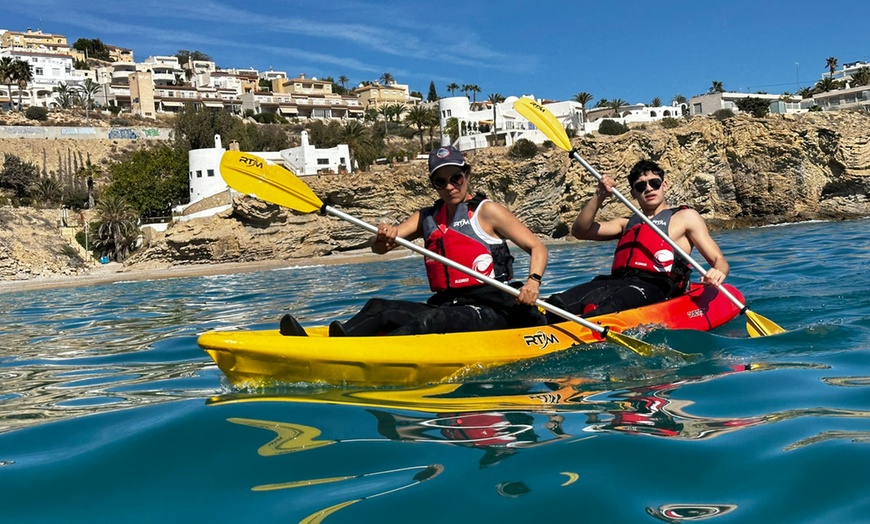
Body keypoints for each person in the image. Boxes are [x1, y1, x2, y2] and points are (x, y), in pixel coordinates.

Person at [280, 145, 548, 336]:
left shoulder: (487, 211)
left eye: (455, 178)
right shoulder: (427, 217)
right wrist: (383, 237)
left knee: (431, 320)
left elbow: (537, 247)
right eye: (440, 182)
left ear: (466, 175)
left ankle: (371, 354)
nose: (450, 187)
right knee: (378, 307)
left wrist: (532, 282)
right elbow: (380, 249)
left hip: (492, 307)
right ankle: (334, 343)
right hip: (447, 302)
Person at [545, 159, 729, 320]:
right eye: (641, 186)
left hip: (657, 286)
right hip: (618, 281)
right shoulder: (626, 224)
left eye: (654, 183)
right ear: (633, 194)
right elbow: (580, 231)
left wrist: (717, 272)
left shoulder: (685, 217)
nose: (648, 188)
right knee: (556, 303)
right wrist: (599, 196)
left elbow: (718, 261)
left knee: (608, 309)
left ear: (664, 186)